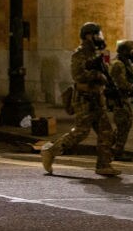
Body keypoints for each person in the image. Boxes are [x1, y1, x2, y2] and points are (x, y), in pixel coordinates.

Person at [41, 22, 121, 176]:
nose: (99, 37)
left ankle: (104, 165)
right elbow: (78, 76)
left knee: (106, 132)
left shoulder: (95, 54)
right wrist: (97, 75)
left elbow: (104, 72)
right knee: (81, 132)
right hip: (84, 99)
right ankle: (51, 151)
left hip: (97, 99)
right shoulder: (79, 54)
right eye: (96, 34)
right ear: (88, 36)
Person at [109, 39, 133, 162]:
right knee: (123, 124)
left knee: (124, 125)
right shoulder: (118, 64)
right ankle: (117, 151)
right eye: (130, 50)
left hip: (123, 98)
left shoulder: (125, 63)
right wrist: (132, 87)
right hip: (119, 99)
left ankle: (108, 147)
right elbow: (120, 83)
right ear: (124, 51)